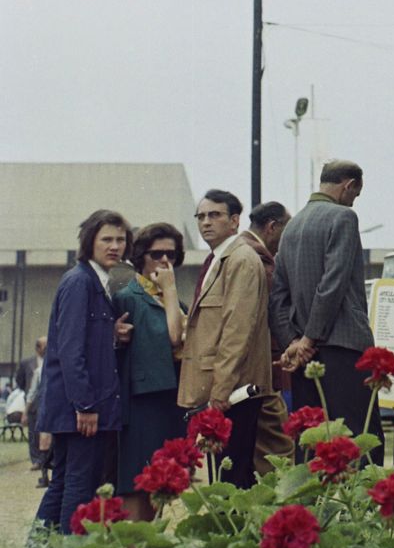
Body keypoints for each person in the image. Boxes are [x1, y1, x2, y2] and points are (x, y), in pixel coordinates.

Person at [270, 160, 383, 461]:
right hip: (343, 347)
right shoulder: (344, 217)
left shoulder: (291, 226)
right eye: (355, 194)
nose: (354, 200)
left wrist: (293, 342)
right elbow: (332, 284)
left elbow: (278, 294)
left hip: (305, 358)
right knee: (360, 441)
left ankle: (312, 508)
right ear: (350, 185)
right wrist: (309, 338)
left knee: (313, 444)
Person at [35, 210, 132, 534]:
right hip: (79, 411)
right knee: (78, 486)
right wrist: (86, 406)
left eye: (120, 239)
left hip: (74, 408)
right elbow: (69, 351)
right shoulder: (80, 282)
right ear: (89, 241)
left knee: (63, 482)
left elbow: (84, 340)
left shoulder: (94, 282)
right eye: (106, 239)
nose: (114, 246)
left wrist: (109, 332)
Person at [178, 190, 273, 488]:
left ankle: (236, 533)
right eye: (201, 216)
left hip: (235, 390)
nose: (206, 222)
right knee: (226, 473)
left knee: (231, 477)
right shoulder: (218, 259)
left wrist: (220, 392)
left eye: (215, 215)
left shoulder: (241, 259)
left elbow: (237, 329)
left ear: (234, 221)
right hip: (224, 387)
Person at [112, 222, 188, 520]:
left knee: (160, 484)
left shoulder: (173, 300)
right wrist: (169, 290)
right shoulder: (130, 297)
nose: (165, 261)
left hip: (170, 399)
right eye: (157, 254)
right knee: (136, 479)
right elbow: (172, 337)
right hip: (143, 401)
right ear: (141, 256)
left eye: (171, 254)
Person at [241, 201, 294, 474]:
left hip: (246, 374)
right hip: (263, 371)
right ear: (273, 226)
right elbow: (276, 312)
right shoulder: (258, 258)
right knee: (278, 453)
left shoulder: (237, 250)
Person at [18, 338, 48, 474]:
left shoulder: (50, 361)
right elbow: (20, 381)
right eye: (44, 346)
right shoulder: (27, 363)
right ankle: (36, 460)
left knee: (44, 434)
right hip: (33, 402)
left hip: (47, 403)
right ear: (38, 348)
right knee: (33, 433)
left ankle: (44, 461)